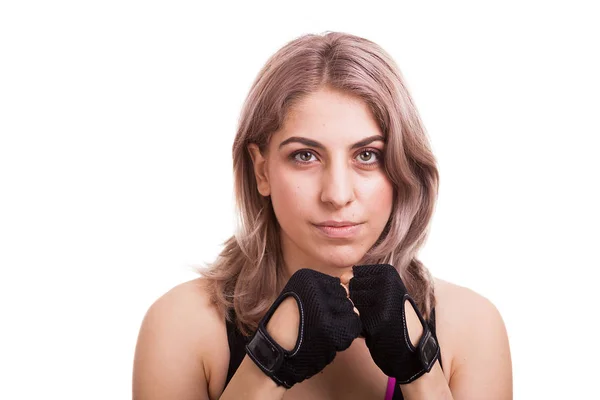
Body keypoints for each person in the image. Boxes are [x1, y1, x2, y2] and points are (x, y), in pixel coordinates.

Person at [132, 31, 513, 400]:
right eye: (305, 156)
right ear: (262, 171)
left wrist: (422, 370)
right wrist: (267, 363)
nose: (337, 195)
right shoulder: (184, 326)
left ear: (401, 167)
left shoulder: (469, 327)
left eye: (367, 155)